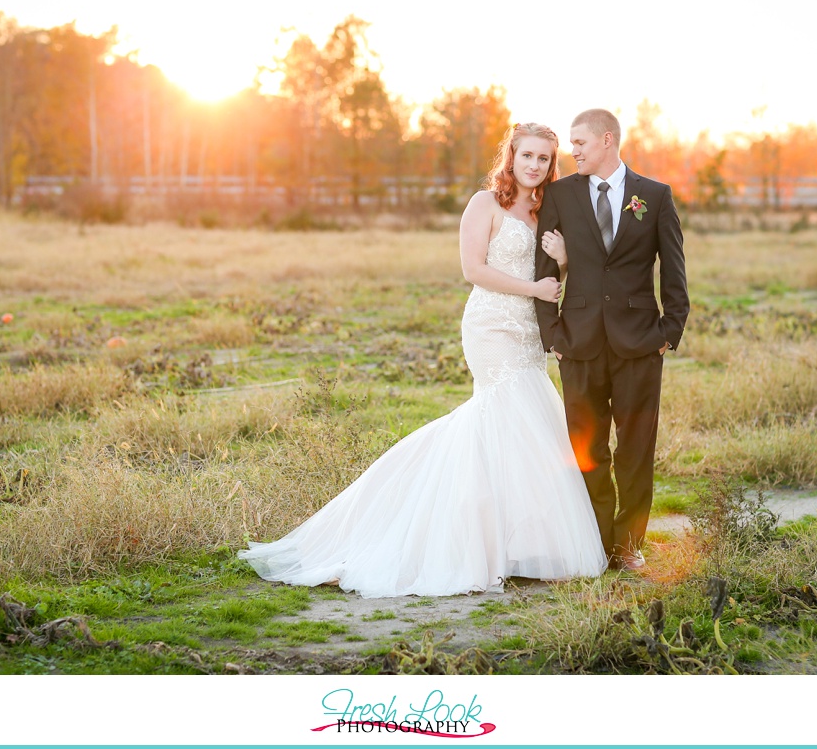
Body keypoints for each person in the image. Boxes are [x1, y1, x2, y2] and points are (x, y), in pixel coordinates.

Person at [239, 123, 607, 597]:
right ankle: (462, 536)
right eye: (528, 156)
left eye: (544, 159)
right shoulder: (485, 204)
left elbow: (556, 277)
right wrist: (534, 287)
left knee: (523, 421)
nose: (535, 166)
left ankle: (515, 543)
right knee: (509, 411)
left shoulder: (546, 210)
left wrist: (561, 261)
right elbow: (472, 268)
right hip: (491, 326)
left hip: (530, 330)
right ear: (510, 157)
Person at [534, 109, 689, 572]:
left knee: (637, 448)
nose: (572, 151)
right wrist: (551, 334)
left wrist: (669, 332)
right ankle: (598, 546)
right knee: (588, 449)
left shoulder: (654, 196)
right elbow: (543, 271)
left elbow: (674, 271)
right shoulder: (559, 195)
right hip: (577, 344)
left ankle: (629, 544)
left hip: (640, 344)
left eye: (579, 142)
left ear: (607, 140)